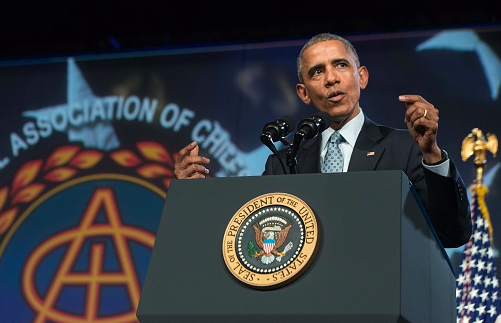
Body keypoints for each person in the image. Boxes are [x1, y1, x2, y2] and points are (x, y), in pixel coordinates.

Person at [173, 32, 472, 248]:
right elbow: (253, 237)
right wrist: (195, 197)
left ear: (362, 77)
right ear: (303, 93)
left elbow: (452, 234)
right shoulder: (283, 163)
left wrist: (432, 154)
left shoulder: (403, 147)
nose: (331, 79)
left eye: (341, 65)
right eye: (317, 72)